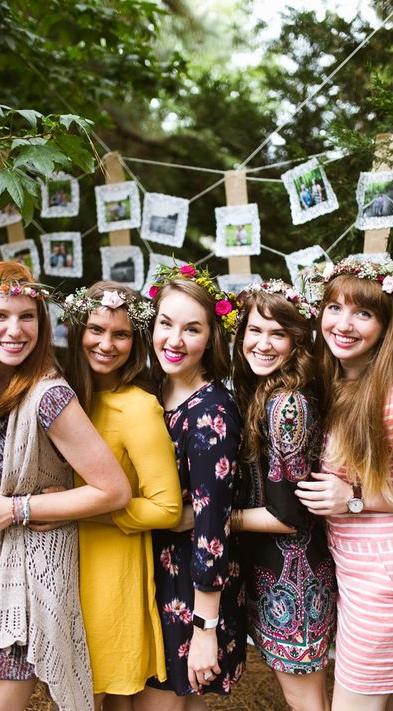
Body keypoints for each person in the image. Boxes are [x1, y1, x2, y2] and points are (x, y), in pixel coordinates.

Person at [0, 261, 132, 711]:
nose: (15, 330)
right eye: (0, 316)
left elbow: (113, 491)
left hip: (20, 588)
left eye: (27, 317)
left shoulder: (49, 396)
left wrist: (18, 509)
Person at [295, 256, 393, 711]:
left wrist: (356, 499)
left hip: (388, 579)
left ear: (385, 326)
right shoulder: (338, 380)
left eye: (363, 313)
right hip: (357, 571)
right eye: (334, 307)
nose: (344, 324)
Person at [61, 281, 183, 711]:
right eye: (96, 329)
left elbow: (166, 507)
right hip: (59, 563)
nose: (106, 344)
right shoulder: (59, 394)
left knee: (103, 692)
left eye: (122, 334)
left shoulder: (136, 407)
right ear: (77, 330)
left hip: (109, 569)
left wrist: (69, 512)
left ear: (137, 341)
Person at [135, 263, 247, 710]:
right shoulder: (153, 391)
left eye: (192, 329)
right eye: (166, 324)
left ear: (212, 337)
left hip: (192, 589)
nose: (174, 340)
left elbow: (211, 526)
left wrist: (205, 628)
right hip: (155, 573)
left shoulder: (210, 412)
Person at [231, 280, 337, 711]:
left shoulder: (287, 404)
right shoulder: (262, 392)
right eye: (254, 331)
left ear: (296, 343)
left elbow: (290, 515)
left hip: (295, 577)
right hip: (271, 573)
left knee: (307, 701)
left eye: (277, 334)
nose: (263, 343)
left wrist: (217, 518)